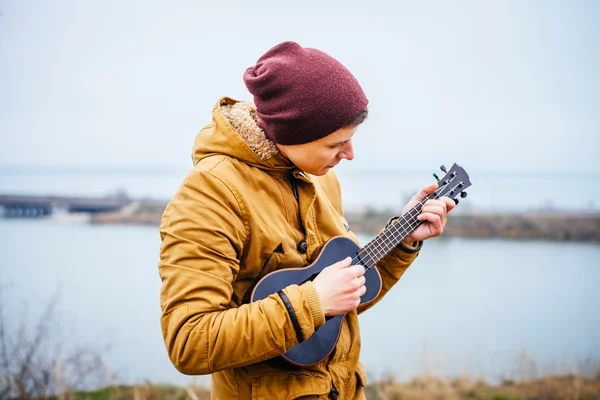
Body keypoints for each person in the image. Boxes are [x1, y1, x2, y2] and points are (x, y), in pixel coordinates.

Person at [158, 41, 455, 399]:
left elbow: (344, 300)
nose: (349, 155)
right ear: (292, 134)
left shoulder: (321, 178)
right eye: (336, 144)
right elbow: (190, 342)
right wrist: (313, 299)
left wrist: (405, 238)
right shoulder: (211, 193)